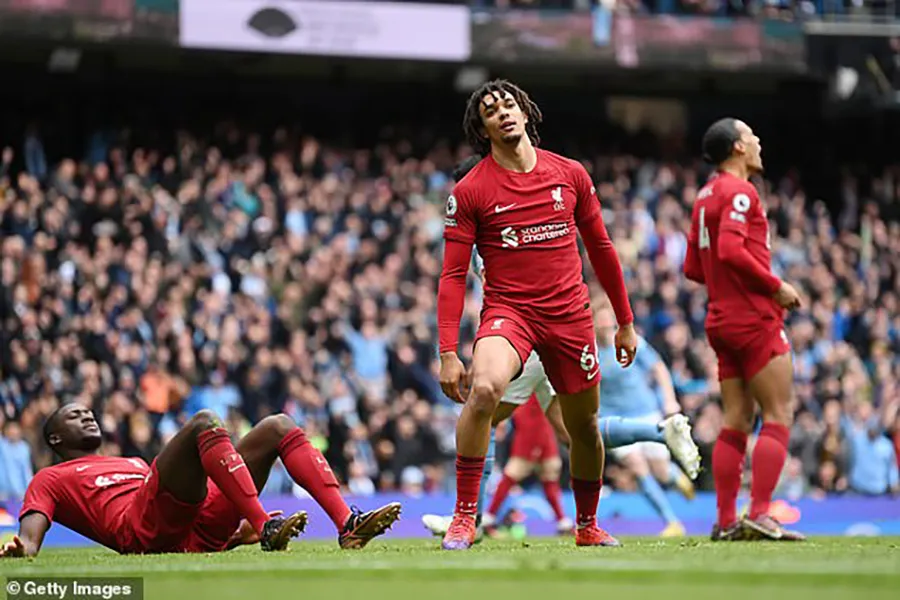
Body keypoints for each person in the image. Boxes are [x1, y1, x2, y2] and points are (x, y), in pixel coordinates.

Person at [438, 79, 637, 550]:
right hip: (511, 313)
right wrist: (448, 351)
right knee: (484, 389)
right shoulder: (470, 191)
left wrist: (626, 322)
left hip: (570, 316)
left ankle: (586, 525)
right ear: (482, 128)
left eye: (509, 104)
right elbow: (452, 275)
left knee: (583, 428)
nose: (503, 113)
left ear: (526, 113)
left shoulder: (569, 174)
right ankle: (465, 518)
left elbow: (602, 249)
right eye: (491, 111)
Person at [0, 404, 401, 558]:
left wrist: (230, 535)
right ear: (54, 438)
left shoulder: (133, 461)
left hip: (193, 530)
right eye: (74, 415)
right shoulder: (50, 478)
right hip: (141, 530)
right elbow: (31, 538)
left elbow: (184, 506)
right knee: (204, 422)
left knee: (278, 425)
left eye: (89, 412)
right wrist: (22, 550)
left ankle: (347, 524)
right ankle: (266, 525)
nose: (87, 415)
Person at [683, 118, 804, 541]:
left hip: (719, 319)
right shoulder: (739, 192)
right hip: (753, 317)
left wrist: (725, 285)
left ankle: (726, 519)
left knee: (736, 418)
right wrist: (777, 287)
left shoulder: (704, 195)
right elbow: (732, 250)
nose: (758, 143)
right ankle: (761, 512)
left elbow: (693, 268)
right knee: (779, 413)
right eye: (753, 137)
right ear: (737, 147)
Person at [595, 305, 696, 538]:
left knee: (660, 471)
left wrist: (669, 400)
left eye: (607, 319)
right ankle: (672, 522)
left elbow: (658, 368)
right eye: (599, 319)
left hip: (645, 411)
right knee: (636, 466)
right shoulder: (590, 350)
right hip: (614, 419)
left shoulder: (631, 339)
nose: (604, 324)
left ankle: (675, 477)